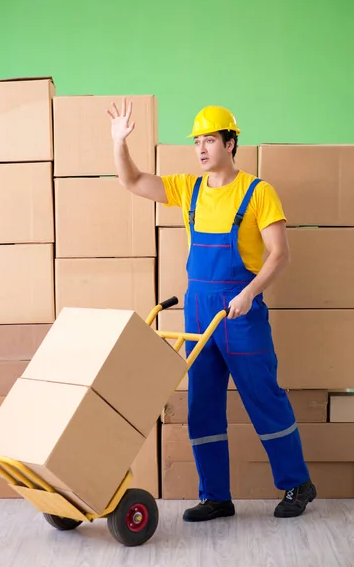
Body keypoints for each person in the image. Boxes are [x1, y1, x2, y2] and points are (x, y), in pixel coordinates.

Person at [107, 99, 317, 521]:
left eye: (210, 140)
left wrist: (250, 293)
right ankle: (215, 496)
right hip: (199, 311)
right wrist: (119, 142)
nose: (201, 148)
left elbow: (279, 254)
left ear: (231, 142)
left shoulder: (259, 192)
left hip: (241, 312)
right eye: (197, 141)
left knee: (263, 397)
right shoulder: (189, 188)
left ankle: (298, 483)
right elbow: (131, 181)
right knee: (202, 403)